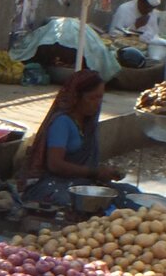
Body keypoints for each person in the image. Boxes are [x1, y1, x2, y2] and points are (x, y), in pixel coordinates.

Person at [21, 69, 132, 206]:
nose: (97, 103)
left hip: (81, 181)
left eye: (100, 98)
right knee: (78, 203)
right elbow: (55, 164)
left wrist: (103, 172)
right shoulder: (62, 123)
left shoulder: (87, 123)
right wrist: (94, 172)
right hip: (56, 182)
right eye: (92, 98)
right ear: (76, 98)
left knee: (129, 194)